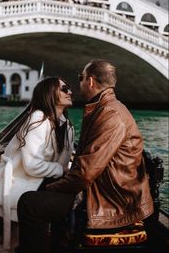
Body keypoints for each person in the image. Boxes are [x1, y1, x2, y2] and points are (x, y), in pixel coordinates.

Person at [17, 59, 154, 253]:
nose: (77, 84)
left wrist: (53, 187)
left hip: (110, 200)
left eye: (80, 78)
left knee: (29, 203)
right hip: (107, 190)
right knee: (45, 195)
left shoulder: (109, 114)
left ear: (90, 81)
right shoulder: (105, 108)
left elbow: (86, 173)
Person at [0, 77, 74, 252]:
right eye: (64, 88)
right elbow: (32, 166)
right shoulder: (38, 119)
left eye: (69, 88)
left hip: (40, 182)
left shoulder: (67, 126)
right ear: (49, 93)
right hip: (16, 182)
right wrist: (61, 170)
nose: (70, 92)